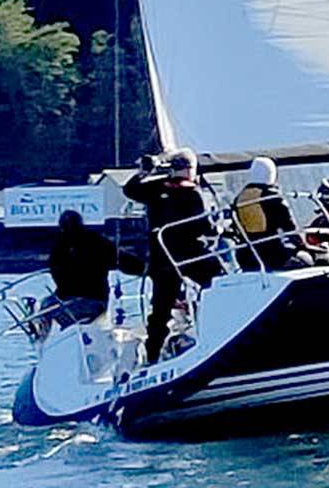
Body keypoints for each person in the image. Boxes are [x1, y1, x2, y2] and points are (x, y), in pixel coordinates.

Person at [124, 148, 221, 363]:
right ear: (190, 170)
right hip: (191, 256)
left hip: (163, 260)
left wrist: (144, 172)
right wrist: (217, 231)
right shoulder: (193, 193)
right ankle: (218, 333)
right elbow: (204, 225)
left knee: (160, 310)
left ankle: (152, 355)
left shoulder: (156, 188)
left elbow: (130, 190)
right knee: (219, 285)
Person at [43, 209, 142, 329]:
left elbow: (120, 259)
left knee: (48, 307)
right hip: (68, 297)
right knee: (46, 304)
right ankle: (44, 335)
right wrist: (142, 268)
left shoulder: (92, 243)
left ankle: (48, 334)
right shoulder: (64, 245)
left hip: (91, 299)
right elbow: (121, 259)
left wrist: (143, 268)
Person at [231, 157, 313, 271]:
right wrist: (304, 246)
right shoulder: (271, 196)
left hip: (247, 257)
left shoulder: (240, 197)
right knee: (309, 260)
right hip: (273, 255)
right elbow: (289, 226)